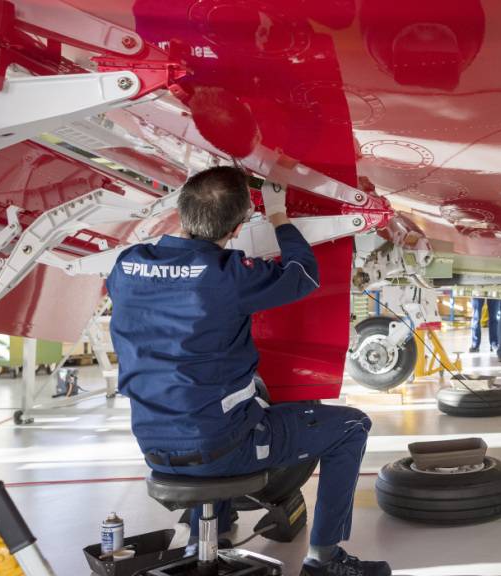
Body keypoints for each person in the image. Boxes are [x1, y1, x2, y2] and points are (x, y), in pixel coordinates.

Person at [107, 166, 390, 576]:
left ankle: (206, 535)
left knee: (217, 404)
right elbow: (303, 274)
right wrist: (278, 215)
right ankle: (325, 560)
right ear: (239, 228)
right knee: (351, 426)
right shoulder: (228, 275)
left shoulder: (127, 266)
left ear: (181, 211)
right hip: (221, 449)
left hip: (153, 446)